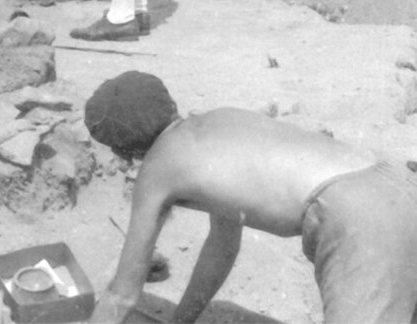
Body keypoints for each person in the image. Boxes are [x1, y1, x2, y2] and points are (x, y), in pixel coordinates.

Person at [84, 71, 417, 324]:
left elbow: (121, 295)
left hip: (356, 214)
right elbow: (223, 244)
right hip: (395, 182)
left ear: (124, 147)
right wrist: (181, 321)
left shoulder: (157, 167)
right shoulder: (219, 123)